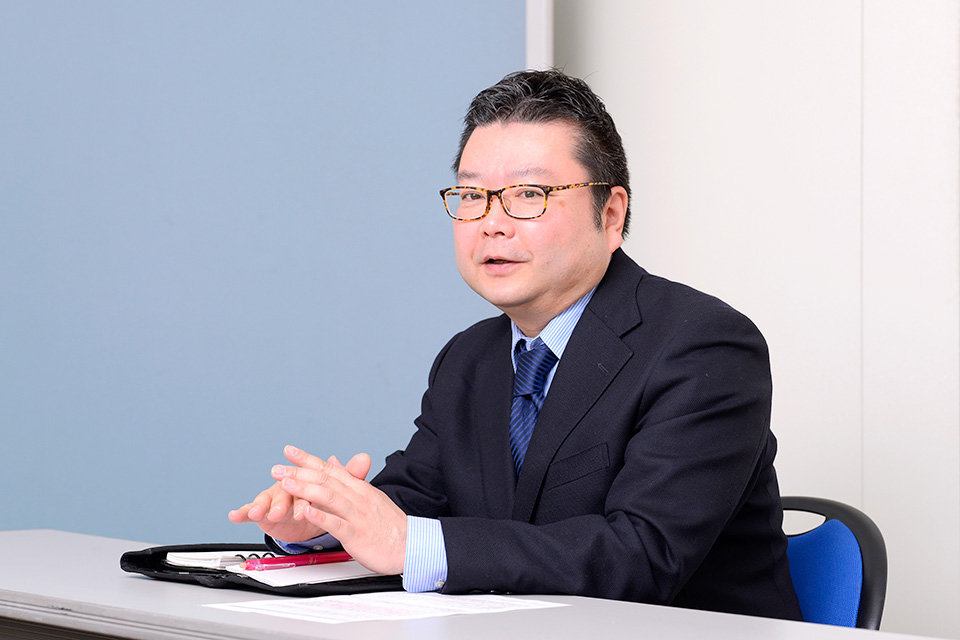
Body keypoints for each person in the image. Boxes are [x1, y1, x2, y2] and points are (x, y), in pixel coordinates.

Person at [228, 69, 803, 620]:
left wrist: (406, 542)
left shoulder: (703, 346)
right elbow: (413, 503)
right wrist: (324, 521)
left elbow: (643, 555)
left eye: (529, 194)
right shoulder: (469, 359)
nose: (492, 223)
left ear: (610, 214)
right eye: (472, 195)